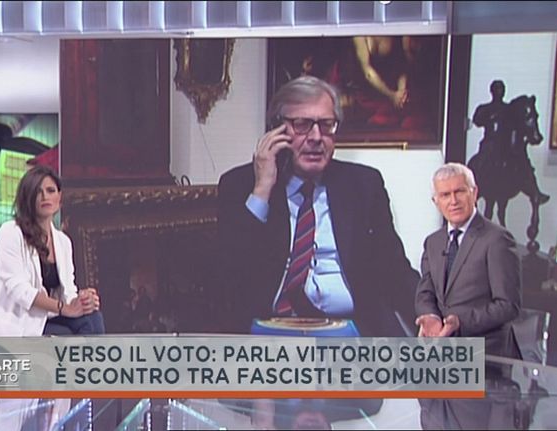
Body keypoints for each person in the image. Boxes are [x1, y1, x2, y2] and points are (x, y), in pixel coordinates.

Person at [218, 75, 419, 337]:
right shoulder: (240, 184)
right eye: (301, 125)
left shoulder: (363, 184)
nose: (316, 137)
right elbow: (229, 273)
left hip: (353, 330)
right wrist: (262, 189)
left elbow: (395, 269)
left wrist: (430, 314)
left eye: (326, 125)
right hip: (271, 332)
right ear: (277, 130)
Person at [0, 165, 102, 430]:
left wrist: (82, 300)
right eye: (38, 192)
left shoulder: (63, 241)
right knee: (71, 341)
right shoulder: (10, 234)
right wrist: (64, 308)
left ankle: (82, 398)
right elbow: (19, 290)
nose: (45, 196)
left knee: (93, 318)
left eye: (51, 190)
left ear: (60, 197)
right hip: (21, 325)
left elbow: (68, 288)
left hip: (50, 319)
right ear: (28, 197)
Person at [415, 163, 522, 359]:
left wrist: (460, 322)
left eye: (460, 192)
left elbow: (508, 305)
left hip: (487, 354)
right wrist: (430, 315)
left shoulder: (497, 239)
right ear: (436, 201)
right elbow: (425, 292)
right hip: (443, 354)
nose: (453, 201)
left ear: (474, 193)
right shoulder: (433, 242)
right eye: (445, 195)